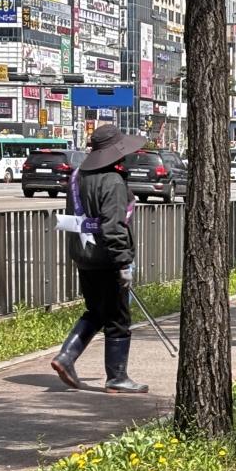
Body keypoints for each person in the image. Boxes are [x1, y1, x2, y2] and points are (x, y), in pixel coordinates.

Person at [50, 125, 148, 393]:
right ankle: (117, 377)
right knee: (117, 317)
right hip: (107, 258)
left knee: (96, 311)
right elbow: (113, 227)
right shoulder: (112, 182)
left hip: (84, 255)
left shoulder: (78, 176)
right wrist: (123, 262)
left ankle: (66, 356)